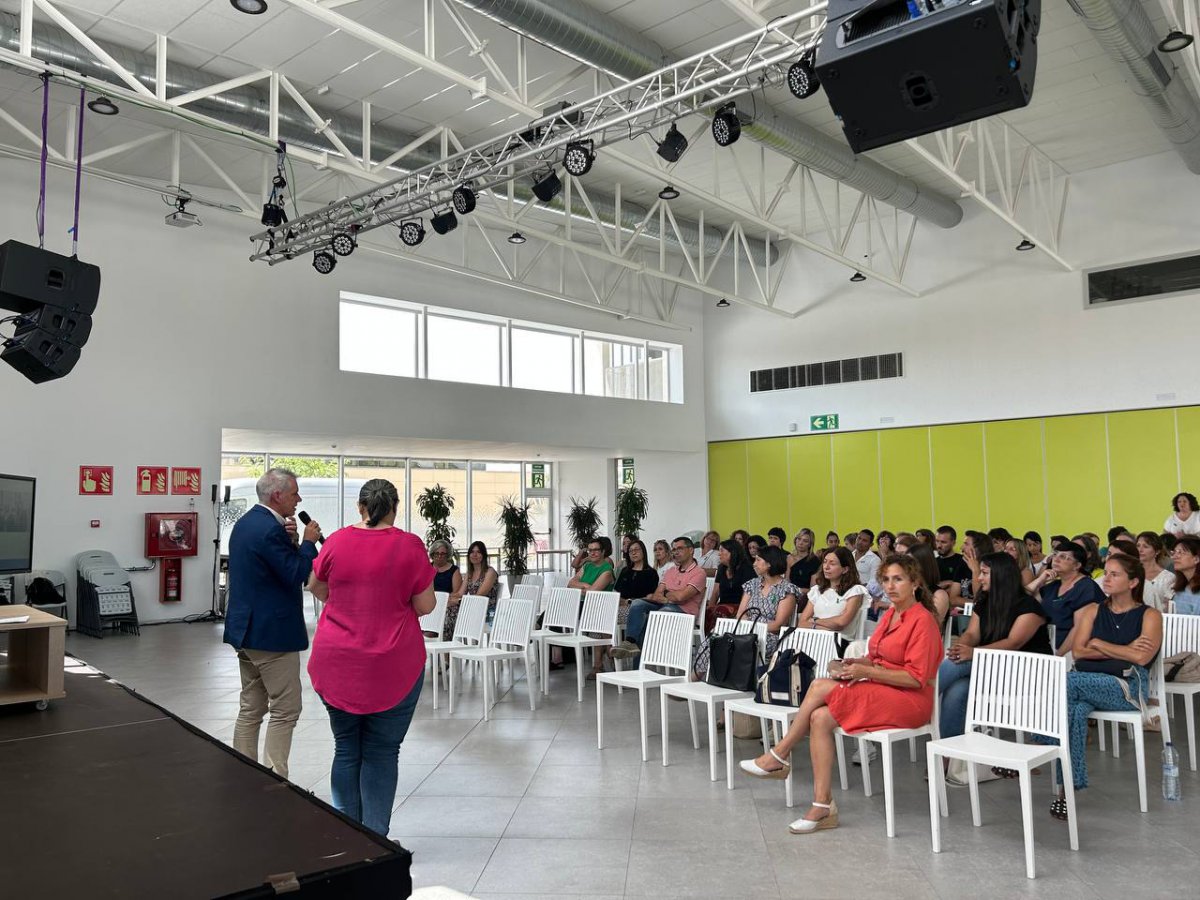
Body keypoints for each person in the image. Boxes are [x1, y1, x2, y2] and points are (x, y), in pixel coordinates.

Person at [738, 555, 942, 834]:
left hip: (910, 700)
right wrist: (852, 665)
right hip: (884, 690)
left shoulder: (923, 620)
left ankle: (779, 754)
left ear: (915, 584)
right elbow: (876, 658)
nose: (891, 586)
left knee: (819, 686)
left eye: (898, 579)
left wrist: (865, 673)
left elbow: (916, 678)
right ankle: (822, 807)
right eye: (886, 580)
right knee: (820, 718)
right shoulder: (891, 615)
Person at [305, 479, 435, 835]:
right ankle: (376, 841)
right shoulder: (409, 546)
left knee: (346, 748)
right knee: (381, 751)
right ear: (395, 506)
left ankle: (348, 837)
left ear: (360, 507)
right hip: (394, 667)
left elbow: (316, 587)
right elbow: (425, 604)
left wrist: (350, 600)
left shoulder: (336, 542)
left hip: (336, 664)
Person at [1034, 554, 1162, 822]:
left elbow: (1141, 658)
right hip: (1086, 682)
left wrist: (1100, 645)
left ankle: (1039, 741)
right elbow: (1079, 651)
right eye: (1106, 572)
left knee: (1063, 683)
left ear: (1134, 582)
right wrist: (1123, 649)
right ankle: (1066, 793)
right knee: (1074, 712)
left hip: (1126, 687)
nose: (1106, 578)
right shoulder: (1094, 610)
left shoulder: (1150, 616)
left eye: (1115, 574)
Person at [224, 467, 322, 780]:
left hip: (246, 630)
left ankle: (244, 771)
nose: (299, 499)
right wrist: (307, 543)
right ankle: (275, 777)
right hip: (272, 635)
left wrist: (291, 542)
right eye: (294, 493)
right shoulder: (268, 530)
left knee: (251, 707)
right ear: (277, 495)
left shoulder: (247, 523)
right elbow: (295, 575)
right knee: (285, 708)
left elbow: (270, 568)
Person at [939, 553, 1050, 740]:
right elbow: (973, 633)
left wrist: (973, 652)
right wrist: (963, 645)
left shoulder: (1029, 606)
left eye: (984, 573)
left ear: (1001, 575)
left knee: (955, 664)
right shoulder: (985, 602)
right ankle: (949, 756)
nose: (979, 578)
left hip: (1025, 672)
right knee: (957, 690)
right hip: (994, 667)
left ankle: (920, 697)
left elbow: (1013, 643)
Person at [694, 546, 800, 678]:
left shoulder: (787, 589)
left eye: (758, 560)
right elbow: (741, 613)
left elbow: (778, 625)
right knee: (714, 636)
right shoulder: (752, 584)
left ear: (769, 564)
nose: (754, 563)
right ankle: (697, 677)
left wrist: (752, 626)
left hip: (769, 636)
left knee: (734, 644)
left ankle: (730, 680)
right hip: (746, 629)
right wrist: (747, 626)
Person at [611, 536, 706, 660]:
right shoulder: (671, 571)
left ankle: (639, 667)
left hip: (684, 612)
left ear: (691, 550)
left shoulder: (699, 573)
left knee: (649, 619)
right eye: (674, 549)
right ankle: (630, 642)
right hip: (665, 606)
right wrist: (669, 596)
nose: (676, 552)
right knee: (638, 604)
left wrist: (666, 594)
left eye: (680, 548)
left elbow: (681, 597)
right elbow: (656, 595)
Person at [597, 539, 659, 677]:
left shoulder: (651, 573)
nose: (633, 553)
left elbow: (650, 596)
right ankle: (609, 654)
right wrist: (623, 600)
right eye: (630, 551)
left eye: (636, 550)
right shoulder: (625, 571)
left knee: (640, 619)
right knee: (601, 616)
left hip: (640, 608)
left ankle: (626, 650)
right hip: (621, 606)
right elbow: (616, 593)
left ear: (643, 551)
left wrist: (630, 601)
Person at [1031, 541, 1104, 652]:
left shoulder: (1086, 586)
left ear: (1077, 565)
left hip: (1070, 652)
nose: (1056, 559)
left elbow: (1079, 628)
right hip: (1047, 647)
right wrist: (1039, 580)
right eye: (1055, 554)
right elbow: (1024, 600)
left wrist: (1058, 657)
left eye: (1064, 557)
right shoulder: (1053, 586)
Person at [800, 547, 868, 653]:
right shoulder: (817, 590)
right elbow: (802, 623)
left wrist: (815, 621)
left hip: (839, 643)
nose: (826, 567)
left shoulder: (855, 590)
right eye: (825, 562)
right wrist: (826, 629)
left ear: (845, 569)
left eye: (832, 563)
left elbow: (841, 623)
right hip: (814, 639)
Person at [711, 538, 756, 619]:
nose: (719, 554)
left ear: (732, 552)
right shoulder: (721, 568)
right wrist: (710, 608)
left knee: (721, 611)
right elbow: (715, 592)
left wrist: (740, 612)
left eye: (722, 550)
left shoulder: (746, 569)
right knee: (709, 612)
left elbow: (747, 594)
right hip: (723, 606)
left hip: (740, 606)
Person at [909, 542, 951, 627]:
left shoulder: (939, 595)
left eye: (910, 564)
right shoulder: (905, 589)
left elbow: (929, 627)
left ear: (922, 565)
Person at [431, 540, 465, 639]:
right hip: (430, 604)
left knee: (444, 620)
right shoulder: (427, 568)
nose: (439, 556)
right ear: (432, 554)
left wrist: (442, 601)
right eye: (437, 553)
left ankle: (443, 650)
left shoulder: (453, 570)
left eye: (442, 554)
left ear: (447, 555)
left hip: (448, 605)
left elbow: (457, 594)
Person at [1137, 531, 1175, 612]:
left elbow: (1170, 608)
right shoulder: (1131, 574)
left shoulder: (1168, 577)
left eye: (1145, 546)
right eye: (1138, 546)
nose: (1140, 550)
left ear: (1157, 551)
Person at [460, 541, 500, 614]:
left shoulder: (490, 572)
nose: (475, 555)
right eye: (472, 552)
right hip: (473, 607)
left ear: (483, 555)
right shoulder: (469, 573)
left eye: (478, 552)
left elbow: (480, 594)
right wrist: (447, 598)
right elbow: (461, 593)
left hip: (487, 611)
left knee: (454, 610)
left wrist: (460, 601)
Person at [934, 526, 971, 597]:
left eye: (943, 542)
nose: (939, 545)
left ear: (953, 543)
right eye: (937, 541)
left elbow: (965, 587)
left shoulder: (963, 561)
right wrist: (947, 583)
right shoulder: (932, 563)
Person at [1171, 536, 1200, 614]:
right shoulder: (1181, 589)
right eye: (1174, 552)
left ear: (1196, 559)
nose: (1174, 557)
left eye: (1180, 552)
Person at [787, 528, 821, 595]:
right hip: (788, 595)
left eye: (805, 541)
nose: (800, 543)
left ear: (810, 544)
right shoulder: (788, 558)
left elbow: (813, 590)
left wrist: (797, 590)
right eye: (799, 539)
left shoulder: (815, 562)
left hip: (805, 598)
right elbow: (786, 581)